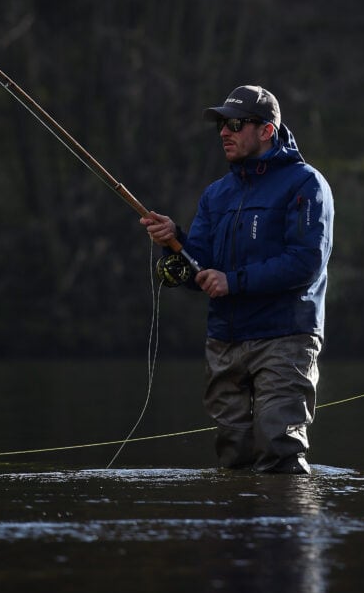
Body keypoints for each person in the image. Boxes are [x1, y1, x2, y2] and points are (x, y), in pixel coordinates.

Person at [141, 84, 334, 474]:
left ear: (266, 130)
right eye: (221, 126)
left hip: (285, 338)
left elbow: (305, 263)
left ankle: (284, 533)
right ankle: (239, 533)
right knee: (233, 457)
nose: (224, 133)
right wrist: (174, 240)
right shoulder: (216, 194)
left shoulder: (306, 184)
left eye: (235, 124)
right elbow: (200, 270)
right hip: (225, 339)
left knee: (279, 450)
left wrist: (235, 281)